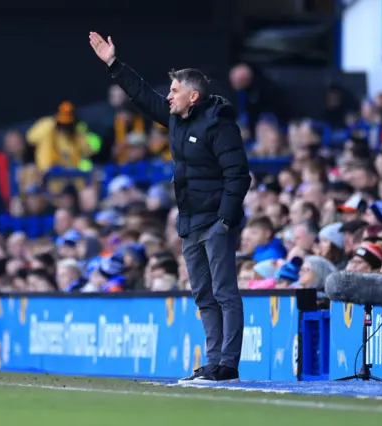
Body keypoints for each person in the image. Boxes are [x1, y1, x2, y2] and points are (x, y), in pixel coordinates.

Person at [89, 32, 251, 383]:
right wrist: (114, 65)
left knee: (224, 292)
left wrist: (225, 219)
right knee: (203, 294)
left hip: (215, 221)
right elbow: (143, 95)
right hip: (190, 221)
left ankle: (229, 363)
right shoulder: (177, 118)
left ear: (193, 96)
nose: (168, 95)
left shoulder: (219, 123)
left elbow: (238, 174)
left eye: (175, 90)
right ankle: (212, 362)